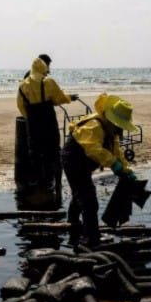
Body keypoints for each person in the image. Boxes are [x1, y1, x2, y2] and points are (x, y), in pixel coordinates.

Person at [62, 95, 137, 246]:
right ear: (110, 119)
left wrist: (126, 169)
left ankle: (73, 227)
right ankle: (92, 239)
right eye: (118, 126)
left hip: (83, 163)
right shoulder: (94, 126)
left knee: (80, 194)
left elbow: (116, 151)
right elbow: (93, 150)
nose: (119, 129)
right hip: (73, 161)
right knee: (89, 201)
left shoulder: (110, 131)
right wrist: (113, 164)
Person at [16, 56, 78, 188]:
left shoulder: (22, 86)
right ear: (44, 67)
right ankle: (56, 181)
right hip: (48, 122)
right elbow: (58, 98)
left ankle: (40, 182)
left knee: (35, 152)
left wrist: (30, 117)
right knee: (54, 151)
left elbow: (20, 106)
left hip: (33, 124)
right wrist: (70, 98)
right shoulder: (48, 82)